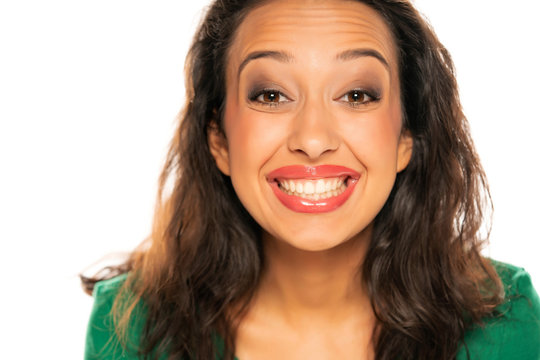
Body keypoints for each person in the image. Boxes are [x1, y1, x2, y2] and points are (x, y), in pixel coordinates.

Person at [82, 0, 540, 359]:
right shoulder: (128, 323)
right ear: (219, 139)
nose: (314, 139)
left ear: (407, 137)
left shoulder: (504, 320)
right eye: (272, 94)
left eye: (357, 94)